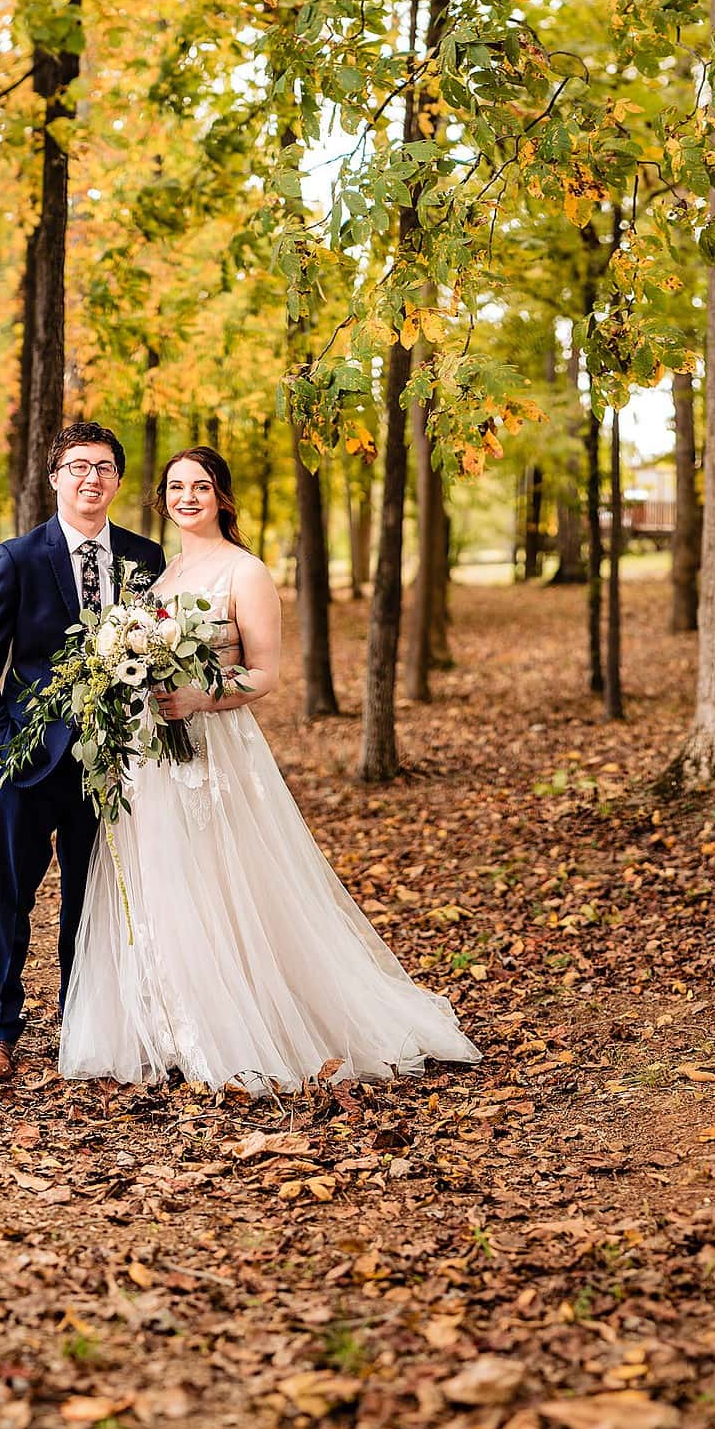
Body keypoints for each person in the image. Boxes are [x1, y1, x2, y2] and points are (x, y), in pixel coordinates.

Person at [59, 445, 480, 1091]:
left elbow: (265, 674)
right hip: (154, 756)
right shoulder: (162, 575)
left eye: (201, 486)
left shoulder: (245, 572)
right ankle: (175, 1023)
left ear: (222, 498)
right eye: (176, 486)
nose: (187, 497)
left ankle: (242, 1025)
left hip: (217, 746)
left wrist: (200, 696)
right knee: (165, 881)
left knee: (227, 884)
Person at [0, 421, 165, 1082]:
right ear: (55, 478)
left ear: (118, 480)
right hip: (32, 762)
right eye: (78, 467)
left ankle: (85, 1026)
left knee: (92, 902)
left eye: (104, 468)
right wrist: (1, 748)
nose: (91, 479)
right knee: (8, 901)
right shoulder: (19, 557)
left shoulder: (145, 558)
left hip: (113, 766)